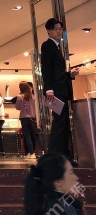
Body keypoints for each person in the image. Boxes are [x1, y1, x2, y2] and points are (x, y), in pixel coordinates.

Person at [41, 19, 79, 159]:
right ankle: (56, 154)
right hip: (55, 92)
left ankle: (62, 154)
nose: (58, 31)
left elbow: (57, 72)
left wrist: (69, 75)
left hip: (59, 90)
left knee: (62, 121)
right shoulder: (47, 45)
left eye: (60, 29)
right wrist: (49, 89)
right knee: (59, 122)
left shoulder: (56, 47)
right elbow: (46, 68)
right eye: (55, 28)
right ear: (48, 31)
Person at [14, 81, 38, 159]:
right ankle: (44, 151)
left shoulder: (20, 97)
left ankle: (31, 153)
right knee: (36, 135)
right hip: (33, 118)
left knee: (27, 136)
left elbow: (17, 107)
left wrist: (17, 100)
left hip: (24, 119)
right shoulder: (34, 97)